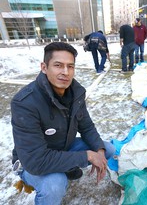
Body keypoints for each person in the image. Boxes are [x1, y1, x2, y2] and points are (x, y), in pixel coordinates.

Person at [11, 42, 115, 204]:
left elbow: (86, 126)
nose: (65, 72)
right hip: (31, 161)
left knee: (107, 148)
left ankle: (66, 167)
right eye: (58, 65)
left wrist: (99, 151)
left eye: (70, 66)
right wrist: (86, 155)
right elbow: (36, 161)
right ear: (44, 67)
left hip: (63, 147)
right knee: (55, 184)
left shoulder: (75, 93)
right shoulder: (25, 102)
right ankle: (62, 171)